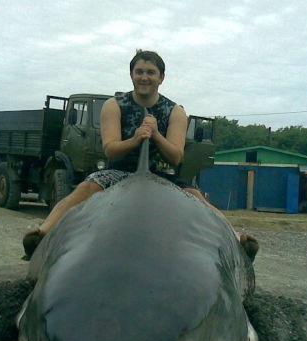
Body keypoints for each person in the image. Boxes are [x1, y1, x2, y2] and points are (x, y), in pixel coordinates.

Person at [23, 50, 258, 260]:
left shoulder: (176, 112)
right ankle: (42, 233)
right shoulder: (114, 105)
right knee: (84, 189)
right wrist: (135, 139)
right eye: (139, 72)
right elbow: (110, 149)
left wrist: (156, 135)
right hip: (118, 172)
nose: (144, 77)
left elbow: (176, 157)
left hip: (162, 174)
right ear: (131, 75)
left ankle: (236, 238)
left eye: (151, 72)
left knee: (198, 197)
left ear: (161, 77)